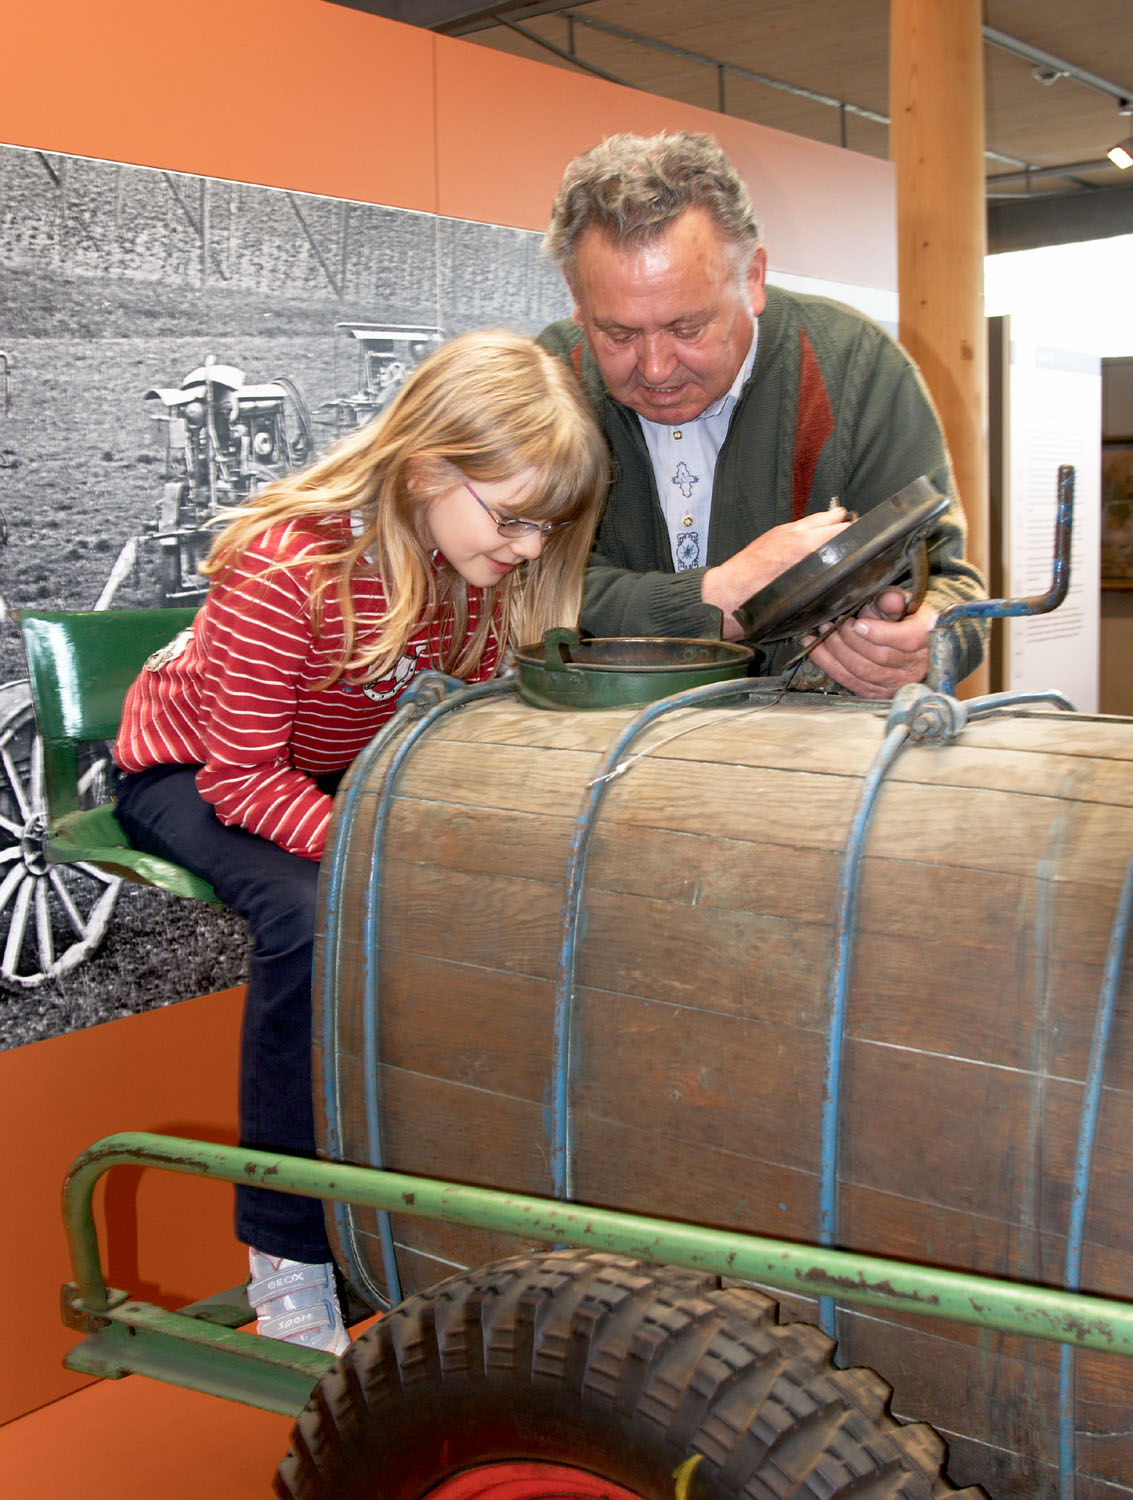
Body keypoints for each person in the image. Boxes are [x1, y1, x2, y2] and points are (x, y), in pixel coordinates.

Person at [111, 330, 608, 1353]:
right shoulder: (285, 563)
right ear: (428, 465)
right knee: (308, 916)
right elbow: (239, 776)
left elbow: (453, 729)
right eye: (513, 520)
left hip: (332, 767)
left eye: (542, 532)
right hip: (189, 767)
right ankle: (287, 1263)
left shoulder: (471, 566)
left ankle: (444, 1198)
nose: (524, 550)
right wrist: (383, 855)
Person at [538, 131, 987, 698]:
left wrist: (924, 640)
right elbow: (510, 587)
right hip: (593, 756)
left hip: (810, 767)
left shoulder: (854, 368)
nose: (654, 368)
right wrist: (716, 597)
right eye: (618, 333)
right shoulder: (547, 381)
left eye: (686, 328)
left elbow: (953, 588)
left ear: (752, 278)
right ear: (575, 298)